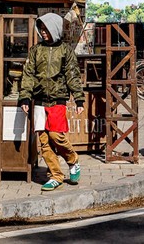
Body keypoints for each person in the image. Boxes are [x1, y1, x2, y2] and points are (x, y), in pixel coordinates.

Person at [19, 13, 85, 191]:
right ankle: (56, 175)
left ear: (54, 29)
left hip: (58, 100)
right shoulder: (36, 50)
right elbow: (28, 75)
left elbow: (72, 75)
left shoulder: (66, 51)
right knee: (44, 141)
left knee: (57, 136)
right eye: (41, 28)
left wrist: (79, 99)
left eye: (46, 28)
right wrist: (25, 97)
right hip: (39, 101)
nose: (43, 31)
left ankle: (73, 160)